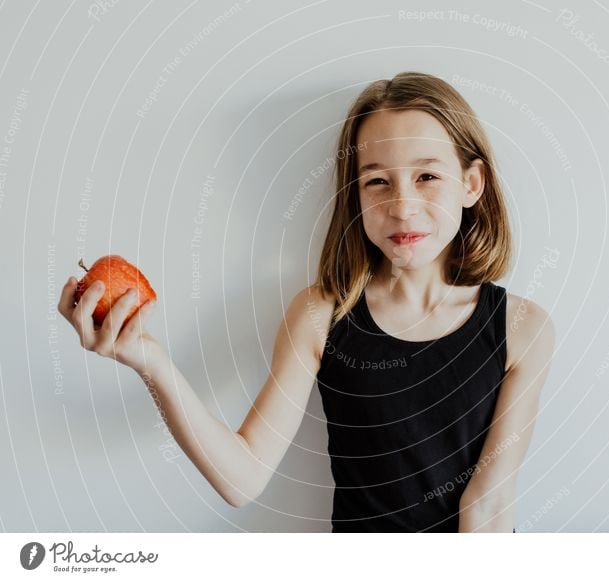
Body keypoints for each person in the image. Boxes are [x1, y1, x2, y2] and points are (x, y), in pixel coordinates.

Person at [57, 71, 555, 533]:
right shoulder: (320, 316)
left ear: (472, 184)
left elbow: (488, 505)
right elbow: (241, 478)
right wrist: (152, 362)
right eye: (377, 180)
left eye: (427, 176)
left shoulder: (523, 328)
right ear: (355, 194)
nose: (402, 205)